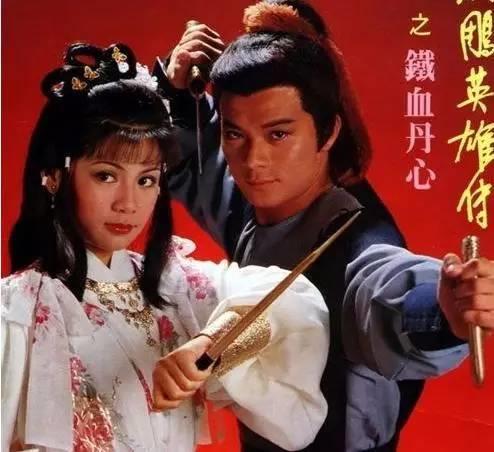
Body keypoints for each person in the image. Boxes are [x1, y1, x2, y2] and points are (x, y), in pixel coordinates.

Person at [156, 1, 494, 451]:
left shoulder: (357, 241)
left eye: (278, 134)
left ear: (328, 131)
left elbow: (387, 293)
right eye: (235, 134)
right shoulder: (258, 201)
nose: (254, 161)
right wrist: (178, 97)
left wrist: (442, 311)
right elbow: (191, 163)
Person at [1, 42, 331, 452]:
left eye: (146, 180)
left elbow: (291, 300)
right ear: (54, 176)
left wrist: (211, 344)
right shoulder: (17, 312)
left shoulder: (175, 289)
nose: (128, 203)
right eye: (106, 176)